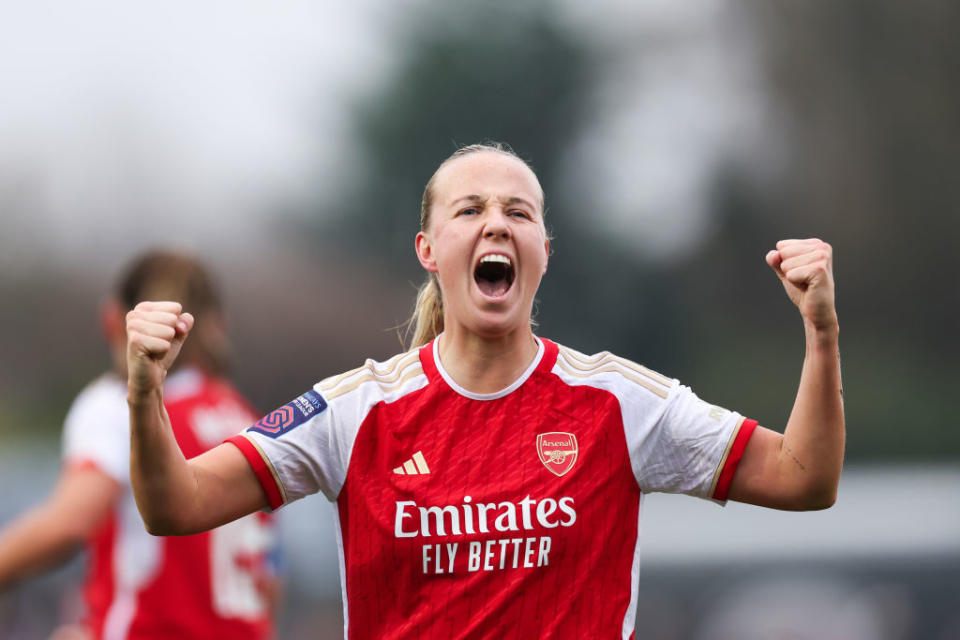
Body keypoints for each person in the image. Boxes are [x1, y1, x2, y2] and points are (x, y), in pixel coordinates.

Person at [125, 143, 844, 639]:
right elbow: (176, 505)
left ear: (543, 254)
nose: (496, 221)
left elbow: (804, 478)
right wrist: (145, 395)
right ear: (429, 250)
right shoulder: (356, 410)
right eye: (469, 210)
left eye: (519, 212)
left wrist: (821, 334)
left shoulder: (621, 404)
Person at [0, 250, 278, 640]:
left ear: (112, 319)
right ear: (217, 325)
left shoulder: (125, 405)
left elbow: (70, 523)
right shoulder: (245, 416)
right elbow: (271, 578)